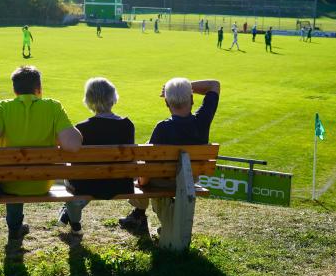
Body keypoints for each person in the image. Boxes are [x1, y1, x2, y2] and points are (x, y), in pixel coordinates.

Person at [0, 66, 83, 240]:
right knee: (17, 176)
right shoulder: (53, 107)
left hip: (10, 183)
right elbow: (72, 145)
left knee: (12, 178)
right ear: (39, 89)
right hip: (42, 182)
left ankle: (14, 227)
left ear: (14, 90)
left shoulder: (2, 108)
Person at [119, 78, 220, 234]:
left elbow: (146, 168)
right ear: (192, 99)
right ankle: (139, 215)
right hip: (188, 180)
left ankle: (139, 214)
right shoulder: (203, 121)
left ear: (167, 103)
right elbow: (214, 85)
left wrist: (141, 183)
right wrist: (185, 88)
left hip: (162, 181)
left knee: (139, 169)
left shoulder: (162, 128)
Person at [57, 78, 135, 236]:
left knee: (70, 176)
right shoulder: (127, 125)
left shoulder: (81, 128)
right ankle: (69, 214)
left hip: (86, 185)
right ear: (113, 98)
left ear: (89, 100)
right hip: (120, 184)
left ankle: (74, 220)